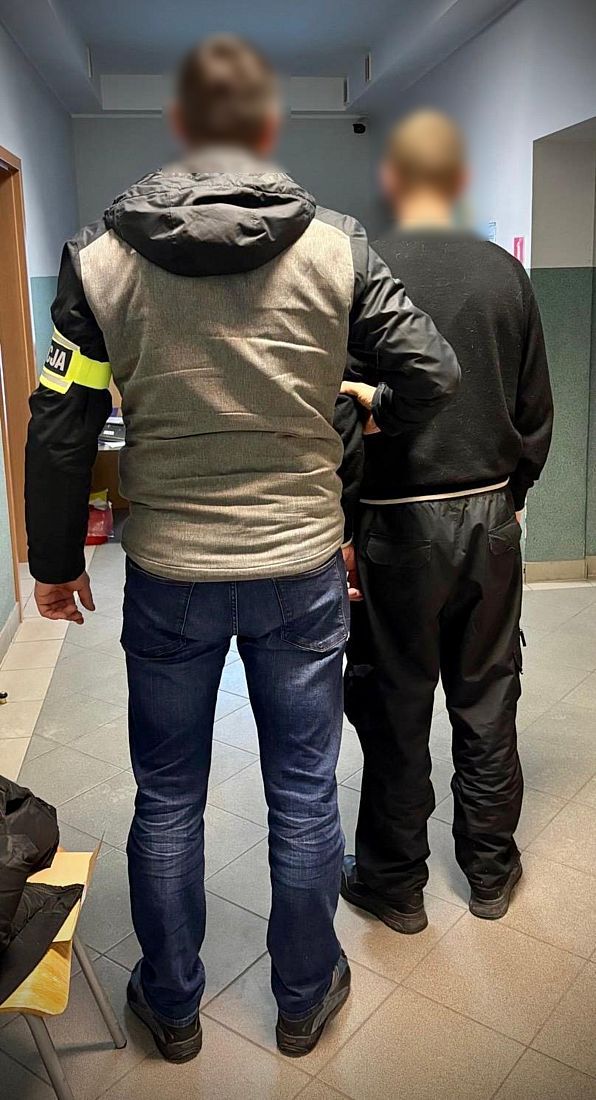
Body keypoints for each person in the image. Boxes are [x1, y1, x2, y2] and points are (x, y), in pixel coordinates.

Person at [25, 43, 459, 1061]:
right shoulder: (340, 248)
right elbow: (431, 372)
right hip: (299, 565)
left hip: (170, 571)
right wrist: (363, 413)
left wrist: (54, 560)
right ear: (265, 129)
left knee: (167, 795)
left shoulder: (98, 258)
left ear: (184, 127)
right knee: (303, 794)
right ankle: (303, 994)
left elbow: (62, 421)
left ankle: (171, 1002)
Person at [341, 110, 553, 934]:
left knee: (394, 703)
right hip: (490, 516)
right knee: (488, 695)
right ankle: (490, 871)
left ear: (392, 182)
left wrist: (344, 529)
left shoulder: (363, 273)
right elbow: (535, 411)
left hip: (394, 526)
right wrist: (510, 496)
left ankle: (394, 884)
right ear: (459, 182)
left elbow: (340, 418)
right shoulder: (507, 275)